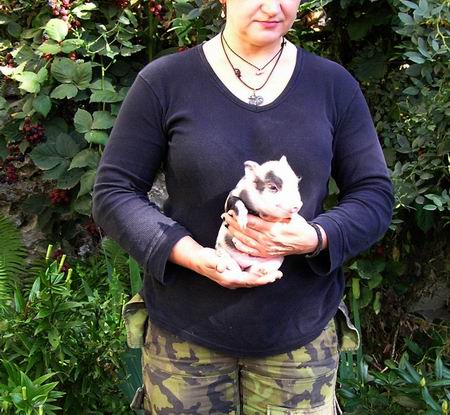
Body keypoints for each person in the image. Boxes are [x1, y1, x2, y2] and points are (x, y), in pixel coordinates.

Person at [92, 0, 394, 413]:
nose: (273, 7)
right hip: (185, 340)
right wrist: (194, 256)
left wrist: (315, 237)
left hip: (298, 341)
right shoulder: (165, 82)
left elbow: (374, 195)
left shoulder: (332, 86)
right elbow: (114, 192)